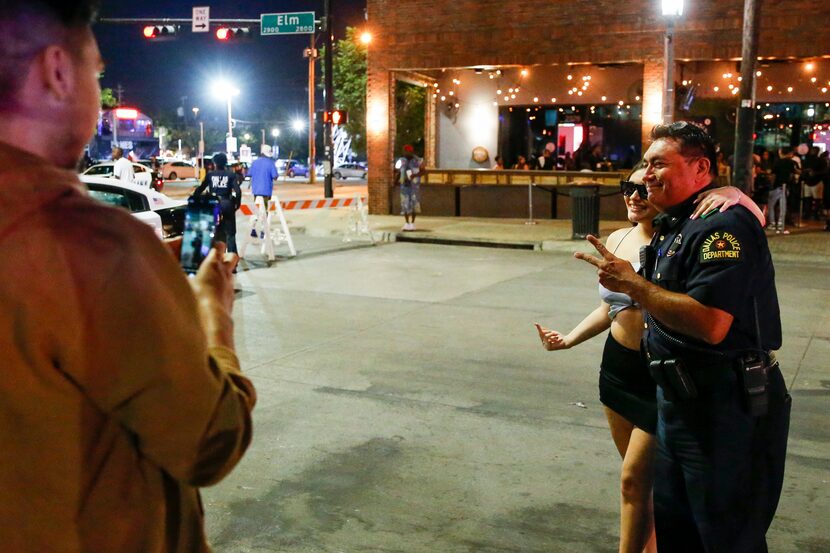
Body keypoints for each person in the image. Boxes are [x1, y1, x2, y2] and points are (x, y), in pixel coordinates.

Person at [0, 2, 256, 552]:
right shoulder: (92, 247)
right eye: (96, 71)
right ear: (57, 72)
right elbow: (210, 439)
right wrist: (214, 318)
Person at [575, 121, 790, 553]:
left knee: (726, 535)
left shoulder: (720, 225)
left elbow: (711, 323)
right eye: (644, 166)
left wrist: (633, 285)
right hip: (676, 403)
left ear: (700, 167)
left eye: (659, 164)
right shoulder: (677, 222)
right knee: (678, 530)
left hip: (724, 409)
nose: (647, 175)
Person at [536, 164, 762, 553]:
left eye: (645, 189)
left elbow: (752, 221)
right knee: (643, 485)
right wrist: (569, 339)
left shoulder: (682, 236)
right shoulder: (617, 239)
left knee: (632, 480)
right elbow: (611, 308)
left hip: (660, 373)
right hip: (618, 371)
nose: (634, 196)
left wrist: (735, 194)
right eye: (628, 188)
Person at [193, 152, 242, 254]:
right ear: (225, 163)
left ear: (215, 163)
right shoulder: (231, 175)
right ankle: (232, 261)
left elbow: (200, 189)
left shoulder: (210, 175)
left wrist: (196, 199)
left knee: (214, 232)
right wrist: (237, 204)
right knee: (230, 233)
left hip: (214, 205)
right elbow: (238, 191)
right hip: (227, 203)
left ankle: (216, 258)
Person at [769, 147, 798, 234]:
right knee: (783, 206)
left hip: (777, 186)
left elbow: (773, 175)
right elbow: (793, 174)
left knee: (771, 205)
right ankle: (781, 224)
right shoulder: (791, 162)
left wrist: (771, 185)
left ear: (780, 152)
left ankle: (772, 223)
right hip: (786, 186)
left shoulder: (777, 162)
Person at [397, 144, 422, 231]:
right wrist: (397, 180)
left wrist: (415, 175)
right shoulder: (402, 160)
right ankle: (407, 223)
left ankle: (413, 223)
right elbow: (399, 170)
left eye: (406, 151)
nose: (405, 152)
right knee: (405, 204)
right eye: (404, 151)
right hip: (404, 186)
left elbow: (424, 171)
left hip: (414, 186)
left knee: (414, 204)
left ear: (411, 151)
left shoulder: (417, 161)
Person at [250, 145, 279, 209]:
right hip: (266, 191)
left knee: (257, 209)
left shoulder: (254, 162)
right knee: (265, 210)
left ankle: (258, 218)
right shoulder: (271, 163)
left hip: (256, 190)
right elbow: (275, 177)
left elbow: (249, 174)